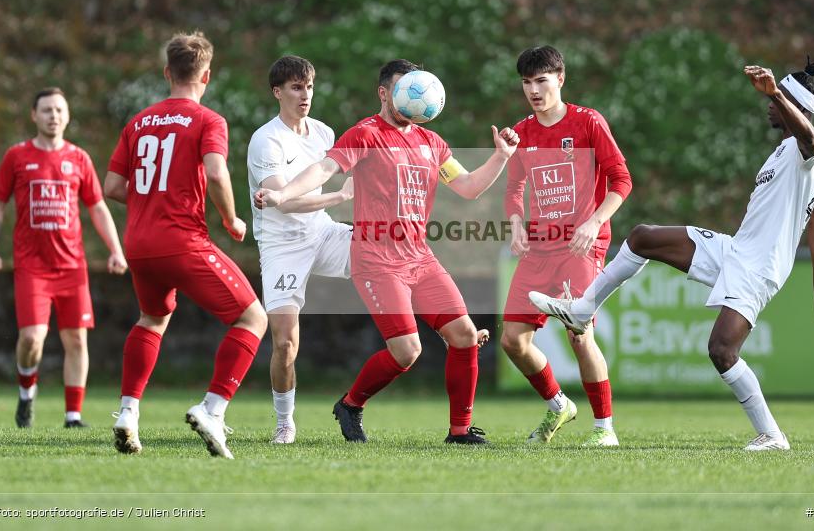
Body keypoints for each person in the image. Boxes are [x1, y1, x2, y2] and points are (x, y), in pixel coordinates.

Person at [531, 59, 814, 450]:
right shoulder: (785, 154)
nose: (768, 106)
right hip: (734, 251)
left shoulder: (813, 150)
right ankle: (583, 309)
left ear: (794, 106)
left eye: (778, 100)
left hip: (759, 268)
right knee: (643, 237)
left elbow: (811, 139)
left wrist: (775, 92)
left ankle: (771, 435)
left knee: (722, 351)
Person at [255, 59, 518, 444]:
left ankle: (460, 431)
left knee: (463, 334)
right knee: (407, 351)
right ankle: (351, 404)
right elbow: (323, 170)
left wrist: (501, 157)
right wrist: (282, 194)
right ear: (384, 93)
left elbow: (468, 187)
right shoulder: (365, 133)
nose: (410, 98)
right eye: (401, 89)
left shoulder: (432, 143)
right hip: (376, 258)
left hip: (419, 257)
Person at [104, 31, 268, 459]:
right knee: (253, 318)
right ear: (207, 75)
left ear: (166, 73)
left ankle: (128, 412)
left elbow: (113, 186)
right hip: (182, 241)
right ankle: (212, 409)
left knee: (152, 319)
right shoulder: (207, 120)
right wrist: (231, 218)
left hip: (139, 243)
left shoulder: (137, 121)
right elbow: (215, 173)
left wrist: (151, 199)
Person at [502, 46, 632, 447]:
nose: (534, 90)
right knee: (512, 341)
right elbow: (514, 186)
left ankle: (604, 429)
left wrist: (594, 223)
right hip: (539, 248)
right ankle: (559, 404)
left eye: (541, 80)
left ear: (560, 78)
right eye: (527, 82)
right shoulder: (522, 133)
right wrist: (516, 222)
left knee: (579, 333)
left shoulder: (588, 122)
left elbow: (621, 180)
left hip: (581, 247)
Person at [0, 87, 127, 428]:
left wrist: (116, 250)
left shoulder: (78, 158)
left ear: (67, 115)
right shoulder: (17, 156)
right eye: (46, 110)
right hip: (32, 267)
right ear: (34, 115)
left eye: (59, 110)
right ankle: (26, 391)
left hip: (72, 267)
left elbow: (97, 207)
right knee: (32, 338)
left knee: (76, 339)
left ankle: (73, 415)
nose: (53, 116)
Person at [247, 55, 354, 444]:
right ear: (278, 92)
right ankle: (284, 421)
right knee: (285, 342)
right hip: (282, 246)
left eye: (308, 86)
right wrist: (340, 196)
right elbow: (284, 201)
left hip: (323, 234)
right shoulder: (266, 140)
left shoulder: (325, 133)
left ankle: (444, 325)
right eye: (295, 87)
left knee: (383, 252)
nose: (304, 94)